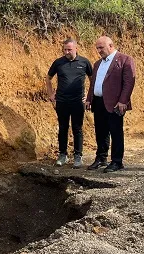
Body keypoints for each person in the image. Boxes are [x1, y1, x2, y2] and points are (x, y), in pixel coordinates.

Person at [85, 36, 136, 173]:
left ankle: (117, 161)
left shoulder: (125, 60)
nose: (99, 50)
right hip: (98, 102)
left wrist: (123, 101)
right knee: (101, 132)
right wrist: (90, 98)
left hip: (115, 103)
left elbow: (129, 83)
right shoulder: (97, 64)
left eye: (101, 47)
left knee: (116, 132)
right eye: (97, 48)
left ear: (111, 46)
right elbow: (93, 83)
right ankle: (101, 158)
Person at [46, 38, 93, 168]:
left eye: (69, 49)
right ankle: (63, 155)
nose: (67, 52)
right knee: (63, 127)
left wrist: (89, 97)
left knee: (77, 128)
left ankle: (78, 156)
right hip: (61, 101)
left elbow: (92, 79)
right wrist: (51, 95)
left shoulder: (84, 62)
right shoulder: (58, 63)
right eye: (65, 49)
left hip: (78, 101)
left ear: (76, 48)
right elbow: (48, 78)